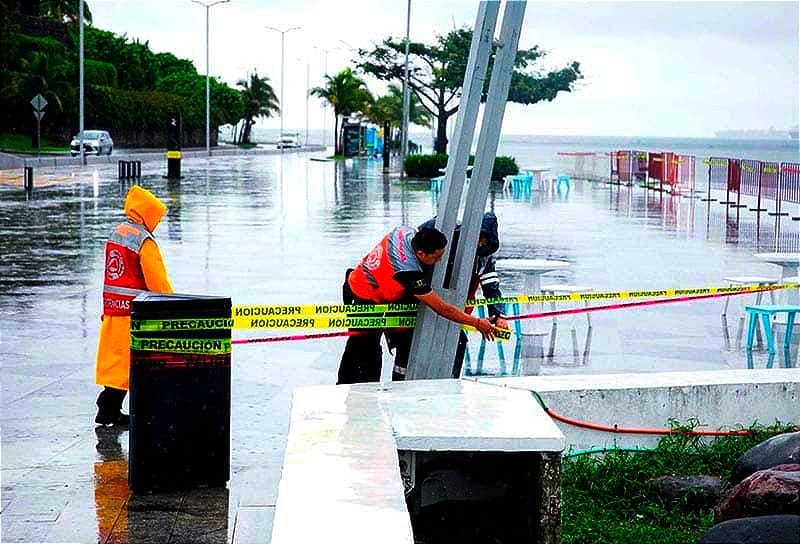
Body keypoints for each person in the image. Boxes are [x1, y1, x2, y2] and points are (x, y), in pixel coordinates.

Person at [336, 225, 498, 384]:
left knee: (363, 346)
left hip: (366, 282)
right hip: (362, 294)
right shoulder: (407, 271)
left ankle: (359, 385)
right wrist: (477, 323)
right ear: (420, 253)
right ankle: (359, 391)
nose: (439, 261)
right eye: (435, 258)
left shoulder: (404, 232)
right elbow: (441, 308)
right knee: (365, 348)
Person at [95, 185, 173, 426]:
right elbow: (157, 279)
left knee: (116, 361)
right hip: (134, 312)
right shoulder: (143, 240)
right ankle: (109, 407)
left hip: (113, 309)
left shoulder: (117, 232)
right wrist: (171, 302)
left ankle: (109, 407)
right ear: (148, 213)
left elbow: (112, 274)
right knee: (133, 361)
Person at [419, 212, 509, 378]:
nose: (480, 244)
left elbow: (491, 286)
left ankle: (450, 384)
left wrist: (498, 314)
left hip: (458, 314)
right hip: (425, 306)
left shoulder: (484, 258)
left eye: (484, 241)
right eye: (479, 238)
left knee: (458, 344)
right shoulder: (441, 237)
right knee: (413, 350)